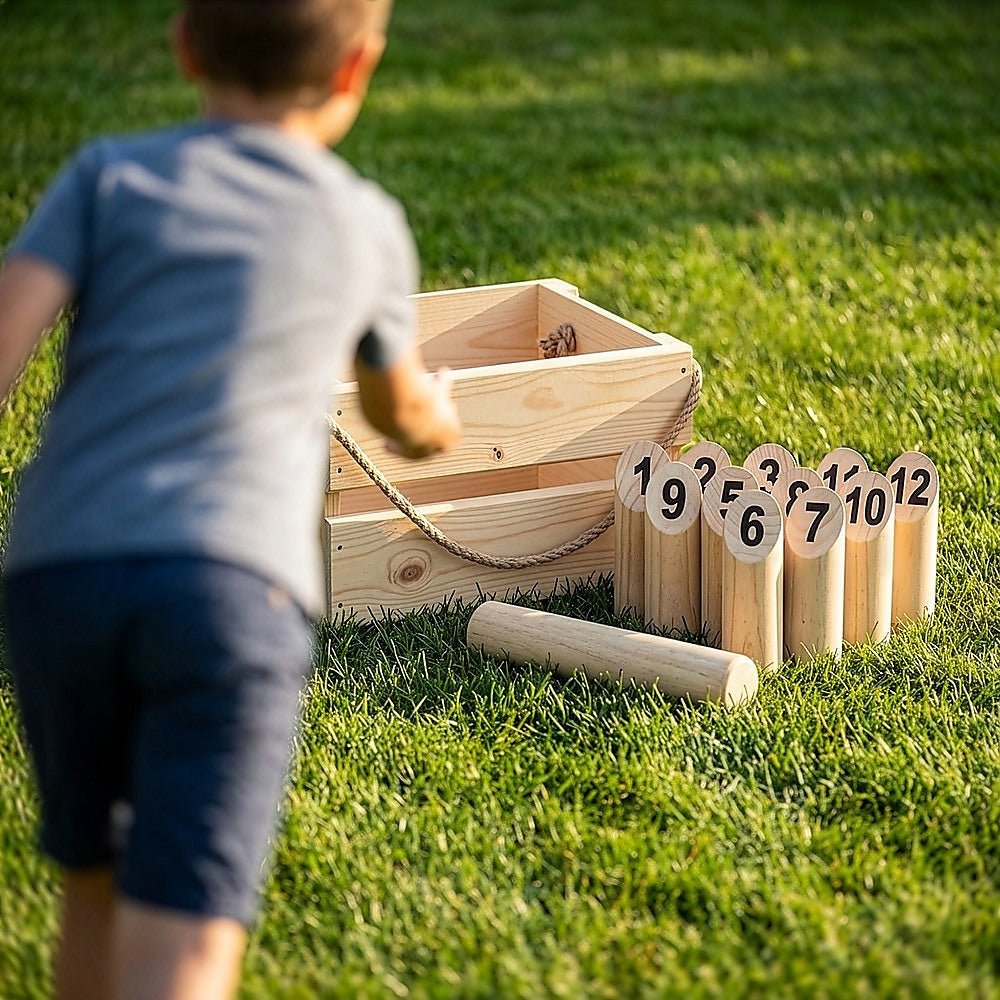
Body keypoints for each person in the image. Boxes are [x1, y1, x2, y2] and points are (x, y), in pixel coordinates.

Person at [0, 0, 460, 996]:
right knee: (188, 942)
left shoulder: (109, 174)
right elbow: (401, 414)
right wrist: (441, 422)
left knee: (94, 880)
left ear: (182, 44)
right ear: (356, 69)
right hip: (226, 589)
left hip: (56, 579)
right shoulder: (362, 221)